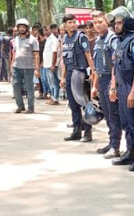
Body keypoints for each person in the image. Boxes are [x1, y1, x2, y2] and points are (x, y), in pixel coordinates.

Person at [109, 12, 134, 169]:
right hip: (121, 86)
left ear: (127, 24)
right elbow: (116, 66)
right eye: (116, 23)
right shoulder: (120, 41)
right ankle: (130, 152)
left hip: (132, 87)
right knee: (126, 123)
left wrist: (133, 91)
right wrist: (114, 87)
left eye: (119, 23)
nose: (116, 26)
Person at [90, 11, 122, 160]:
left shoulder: (112, 39)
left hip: (111, 79)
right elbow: (97, 67)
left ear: (107, 22)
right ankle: (111, 143)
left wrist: (113, 86)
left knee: (114, 115)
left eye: (100, 22)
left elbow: (116, 64)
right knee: (108, 116)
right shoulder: (98, 40)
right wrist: (94, 86)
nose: (97, 25)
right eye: (95, 23)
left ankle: (116, 147)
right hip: (101, 79)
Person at [60, 14, 96, 142]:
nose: (73, 24)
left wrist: (92, 72)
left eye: (74, 22)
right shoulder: (64, 39)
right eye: (70, 22)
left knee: (84, 103)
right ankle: (76, 130)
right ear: (65, 25)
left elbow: (88, 56)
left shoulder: (81, 38)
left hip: (80, 73)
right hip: (70, 73)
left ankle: (87, 132)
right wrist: (62, 78)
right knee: (73, 104)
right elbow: (64, 59)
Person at [10, 18, 40, 114]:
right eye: (20, 27)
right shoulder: (16, 40)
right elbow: (14, 53)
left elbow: (36, 55)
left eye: (23, 27)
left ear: (26, 28)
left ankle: (31, 107)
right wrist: (11, 65)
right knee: (16, 87)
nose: (22, 29)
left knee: (29, 88)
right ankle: (20, 106)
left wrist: (37, 69)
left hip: (28, 68)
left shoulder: (33, 40)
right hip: (16, 67)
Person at [42, 23, 60, 105]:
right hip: (46, 64)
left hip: (51, 65)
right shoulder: (48, 39)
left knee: (54, 82)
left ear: (51, 30)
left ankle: (55, 98)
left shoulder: (53, 40)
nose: (45, 32)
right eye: (44, 30)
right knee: (50, 83)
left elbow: (54, 52)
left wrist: (53, 65)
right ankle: (52, 97)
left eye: (47, 30)